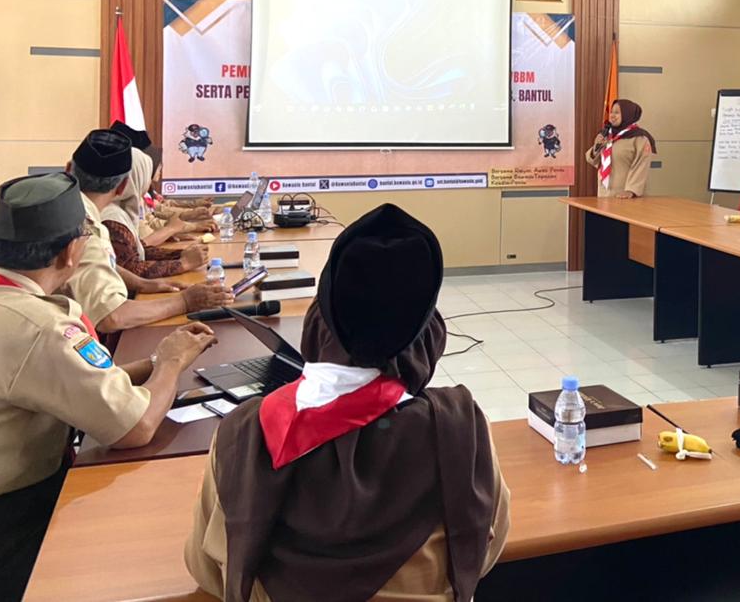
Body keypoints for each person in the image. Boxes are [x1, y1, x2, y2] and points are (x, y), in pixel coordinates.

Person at [185, 204, 510, 602]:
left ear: (317, 326)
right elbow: (483, 553)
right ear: (427, 338)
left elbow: (206, 570)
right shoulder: (460, 432)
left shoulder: (243, 435)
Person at [0, 173, 218, 601]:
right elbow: (137, 428)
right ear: (73, 250)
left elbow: (55, 379)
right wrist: (170, 363)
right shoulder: (40, 328)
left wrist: (149, 364)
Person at [68, 129, 232, 332]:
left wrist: (141, 284)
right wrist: (184, 302)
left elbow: (103, 262)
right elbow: (112, 317)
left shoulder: (67, 210)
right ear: (122, 187)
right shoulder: (83, 228)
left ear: (68, 169)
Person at [102, 148, 208, 282]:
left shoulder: (123, 210)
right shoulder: (112, 217)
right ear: (137, 177)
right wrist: (182, 264)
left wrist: (180, 254)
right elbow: (131, 268)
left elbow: (138, 250)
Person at [586, 99, 657, 198]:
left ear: (628, 114)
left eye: (617, 112)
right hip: (604, 195)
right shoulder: (607, 134)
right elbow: (593, 161)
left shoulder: (640, 138)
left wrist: (631, 190)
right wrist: (597, 146)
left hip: (627, 198)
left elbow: (641, 165)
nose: (612, 115)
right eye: (611, 112)